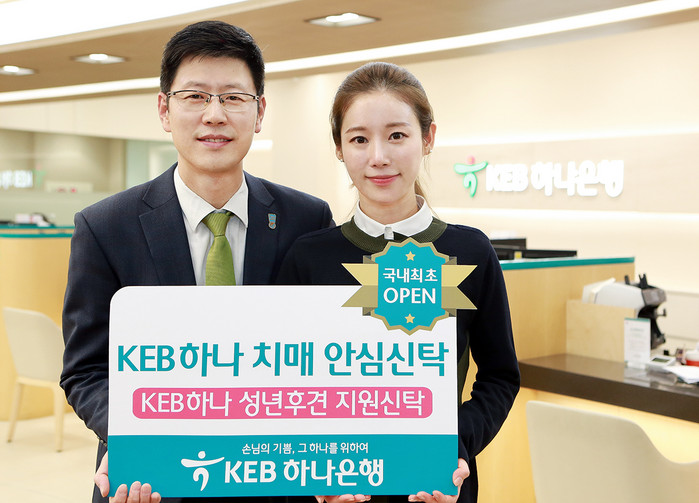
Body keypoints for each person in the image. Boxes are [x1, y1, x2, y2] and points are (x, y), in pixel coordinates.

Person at [60, 21, 333, 503]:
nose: (214, 114)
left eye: (233, 97)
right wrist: (137, 438)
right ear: (164, 110)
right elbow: (86, 370)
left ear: (260, 111)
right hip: (150, 480)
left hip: (275, 477)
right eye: (194, 96)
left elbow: (327, 356)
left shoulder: (307, 219)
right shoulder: (104, 226)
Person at [277, 62, 520, 503]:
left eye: (396, 135)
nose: (378, 157)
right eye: (359, 139)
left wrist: (456, 444)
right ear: (339, 148)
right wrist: (313, 466)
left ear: (427, 138)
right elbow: (282, 380)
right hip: (339, 485)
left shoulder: (471, 251)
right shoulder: (308, 257)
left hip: (438, 483)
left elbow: (500, 376)